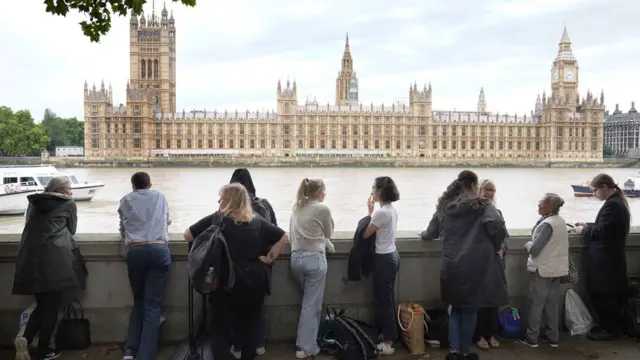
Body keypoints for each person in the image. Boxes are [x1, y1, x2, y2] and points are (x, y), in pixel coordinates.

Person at [184, 183, 288, 360]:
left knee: (219, 330)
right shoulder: (257, 221)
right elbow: (283, 236)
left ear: (228, 200)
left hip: (226, 283)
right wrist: (269, 258)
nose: (219, 201)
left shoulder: (218, 219)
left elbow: (188, 235)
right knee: (249, 330)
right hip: (255, 282)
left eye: (221, 197)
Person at [422, 170, 508, 360]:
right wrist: (495, 244)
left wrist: (424, 235)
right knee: (470, 310)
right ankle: (465, 351)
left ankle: (453, 351)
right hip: (475, 266)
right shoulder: (483, 205)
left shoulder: (445, 207)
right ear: (475, 186)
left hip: (451, 266)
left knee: (454, 309)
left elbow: (431, 231)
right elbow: (497, 224)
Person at [13, 176, 79, 360]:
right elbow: (72, 229)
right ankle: (44, 350)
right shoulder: (69, 204)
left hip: (31, 258)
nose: (71, 193)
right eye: (68, 189)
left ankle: (25, 339)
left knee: (42, 305)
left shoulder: (34, 203)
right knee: (52, 307)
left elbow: (29, 225)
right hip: (56, 259)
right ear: (59, 190)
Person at [119, 172, 172, 360]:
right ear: (150, 184)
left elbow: (123, 229)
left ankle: (130, 351)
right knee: (152, 306)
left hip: (135, 250)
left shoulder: (125, 200)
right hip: (159, 250)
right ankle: (145, 355)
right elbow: (167, 222)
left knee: (139, 301)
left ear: (133, 186)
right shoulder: (160, 196)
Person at [573, 173, 630, 341]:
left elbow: (601, 231)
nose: (594, 194)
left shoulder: (613, 205)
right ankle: (607, 326)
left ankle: (610, 330)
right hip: (610, 258)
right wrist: (587, 224)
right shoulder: (617, 202)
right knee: (605, 294)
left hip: (606, 259)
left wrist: (583, 231)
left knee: (603, 294)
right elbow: (606, 226)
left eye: (595, 191)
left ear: (604, 188)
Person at [227, 168, 276, 358]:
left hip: (237, 264)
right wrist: (268, 258)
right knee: (258, 306)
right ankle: (259, 343)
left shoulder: (231, 207)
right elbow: (276, 233)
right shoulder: (264, 205)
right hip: (261, 263)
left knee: (236, 307)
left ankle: (237, 346)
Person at [289, 178, 335, 359]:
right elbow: (329, 232)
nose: (326, 193)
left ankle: (305, 343)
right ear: (318, 192)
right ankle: (306, 347)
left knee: (307, 302)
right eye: (324, 190)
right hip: (314, 260)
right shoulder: (322, 209)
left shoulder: (296, 207)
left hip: (295, 259)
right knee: (311, 306)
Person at [519, 193, 568, 349]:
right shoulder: (560, 221)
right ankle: (553, 337)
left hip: (542, 269)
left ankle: (531, 338)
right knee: (551, 304)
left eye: (541, 203)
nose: (538, 205)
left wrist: (528, 244)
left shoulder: (547, 224)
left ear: (549, 206)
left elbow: (535, 250)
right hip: (557, 269)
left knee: (536, 305)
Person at [362, 176, 400, 355]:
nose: (371, 192)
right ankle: (389, 336)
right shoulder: (391, 210)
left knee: (383, 301)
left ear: (380, 191)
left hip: (383, 259)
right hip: (392, 254)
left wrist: (369, 214)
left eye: (373, 188)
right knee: (388, 299)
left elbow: (365, 234)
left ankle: (387, 342)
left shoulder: (381, 213)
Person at [474, 179, 509, 351]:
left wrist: (502, 248)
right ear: (479, 190)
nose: (489, 193)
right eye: (487, 189)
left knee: (494, 300)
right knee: (481, 301)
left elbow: (505, 236)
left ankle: (491, 333)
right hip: (480, 262)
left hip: (495, 262)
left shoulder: (498, 212)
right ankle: (480, 334)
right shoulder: (474, 213)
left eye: (492, 191)